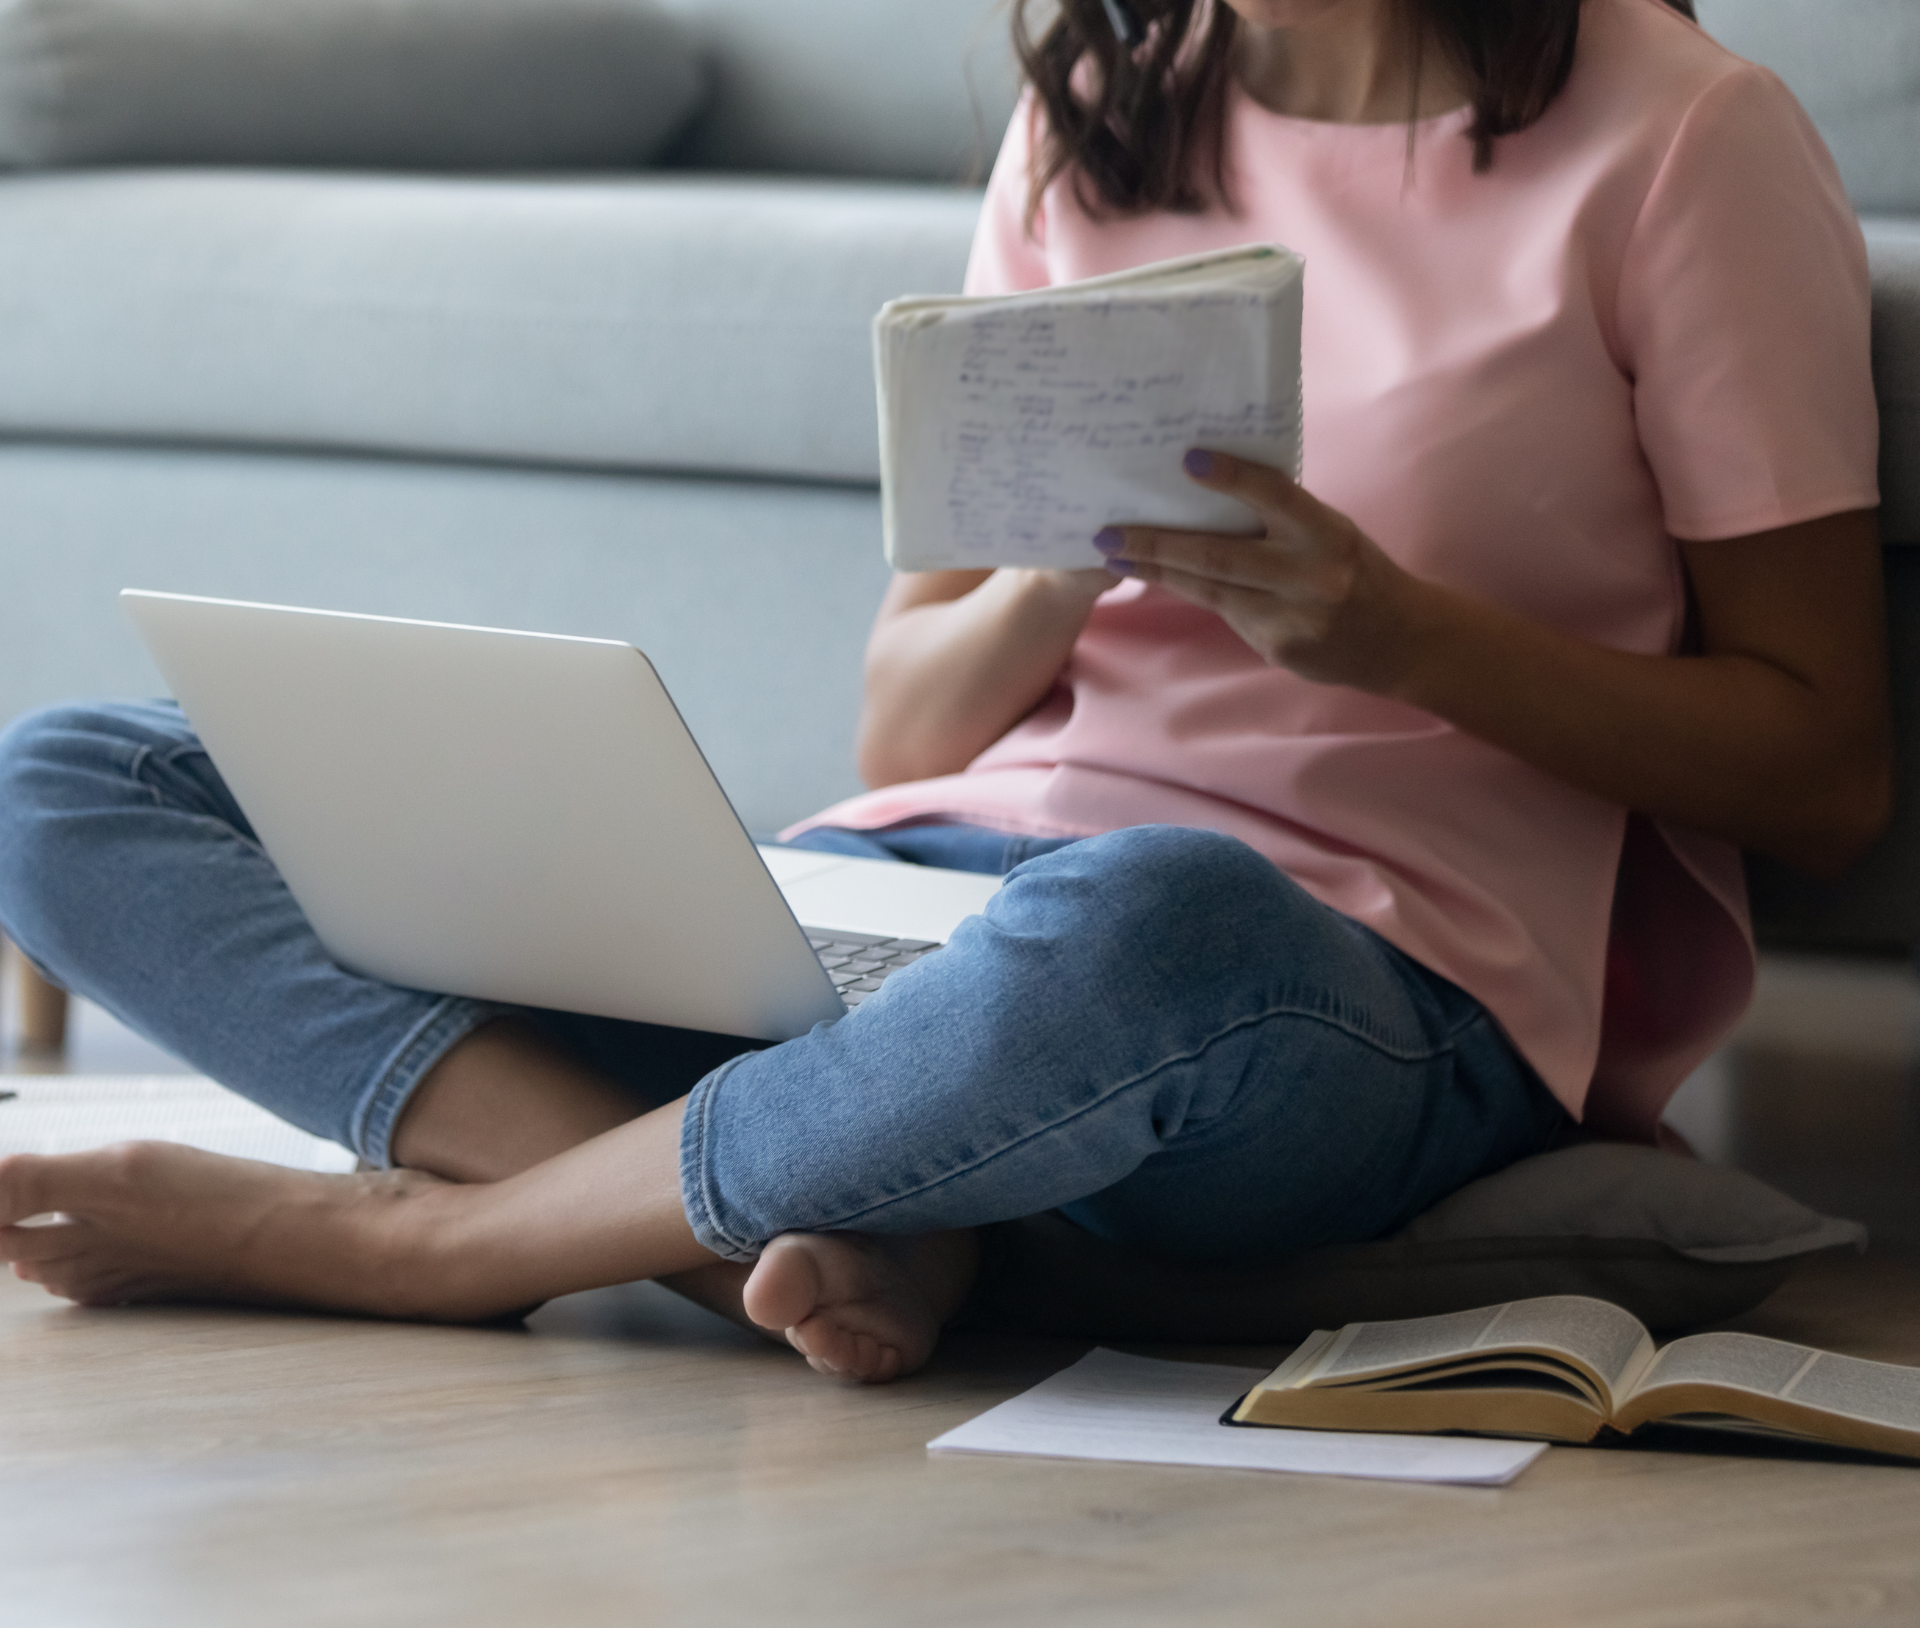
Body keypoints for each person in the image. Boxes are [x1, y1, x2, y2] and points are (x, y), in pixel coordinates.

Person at [0, 0, 1889, 1383]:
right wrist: (1058, 569)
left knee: (1141, 918)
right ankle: (870, 1210)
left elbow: (1821, 769)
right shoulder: (1108, 105)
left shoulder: (1684, 138)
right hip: (927, 912)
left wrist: (1399, 639)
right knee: (75, 777)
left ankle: (456, 1246)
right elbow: (905, 733)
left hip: (1338, 983)